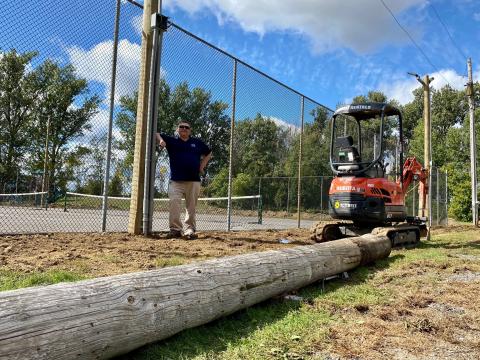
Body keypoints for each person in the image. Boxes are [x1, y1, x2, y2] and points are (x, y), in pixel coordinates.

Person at [156, 120, 212, 239]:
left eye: (187, 127)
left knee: (191, 207)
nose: (184, 129)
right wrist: (161, 141)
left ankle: (190, 230)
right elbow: (156, 133)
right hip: (176, 181)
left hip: (193, 181)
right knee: (174, 204)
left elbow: (209, 153)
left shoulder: (196, 143)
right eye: (181, 127)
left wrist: (202, 166)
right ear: (177, 129)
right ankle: (175, 230)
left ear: (190, 130)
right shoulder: (172, 140)